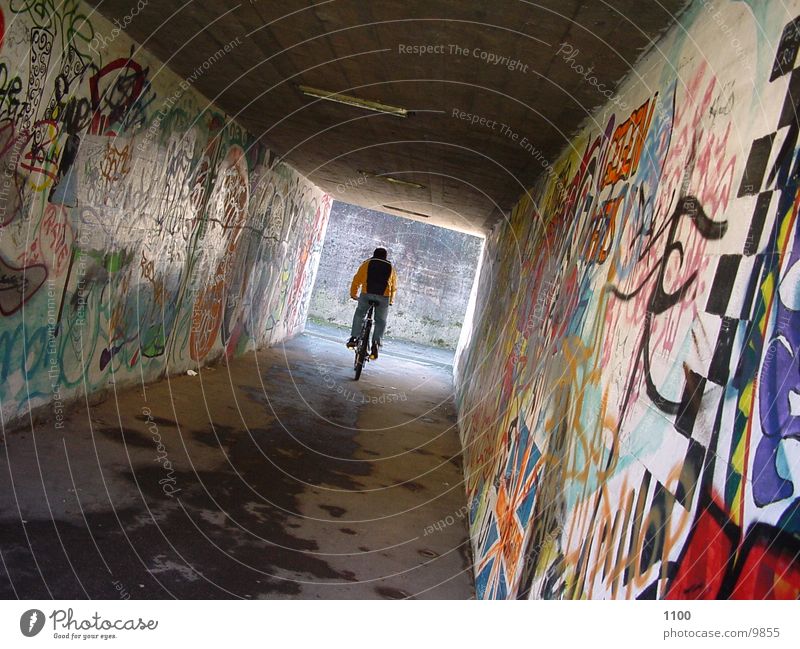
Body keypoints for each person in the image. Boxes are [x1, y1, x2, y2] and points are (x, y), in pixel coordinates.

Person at [347, 247, 397, 359]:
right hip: (384, 297)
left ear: (373, 255)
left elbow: (356, 280)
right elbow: (394, 287)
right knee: (380, 321)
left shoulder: (367, 263)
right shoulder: (391, 267)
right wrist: (391, 301)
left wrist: (353, 294)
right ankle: (375, 344)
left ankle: (354, 338)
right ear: (386, 256)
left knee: (360, 314)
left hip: (367, 294)